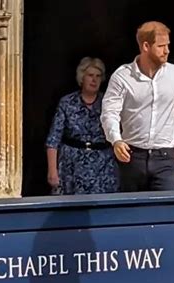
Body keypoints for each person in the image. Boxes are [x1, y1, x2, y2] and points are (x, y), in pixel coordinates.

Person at [101, 21, 174, 192]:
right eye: (160, 46)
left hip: (166, 156)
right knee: (132, 214)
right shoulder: (122, 76)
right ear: (146, 46)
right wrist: (116, 140)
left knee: (165, 213)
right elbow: (110, 113)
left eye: (167, 45)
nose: (166, 50)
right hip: (132, 156)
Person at [45, 57, 119, 195]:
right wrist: (52, 170)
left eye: (98, 76)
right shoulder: (67, 102)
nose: (94, 80)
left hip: (102, 166)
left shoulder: (109, 102)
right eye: (90, 75)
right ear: (81, 77)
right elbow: (53, 139)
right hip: (71, 166)